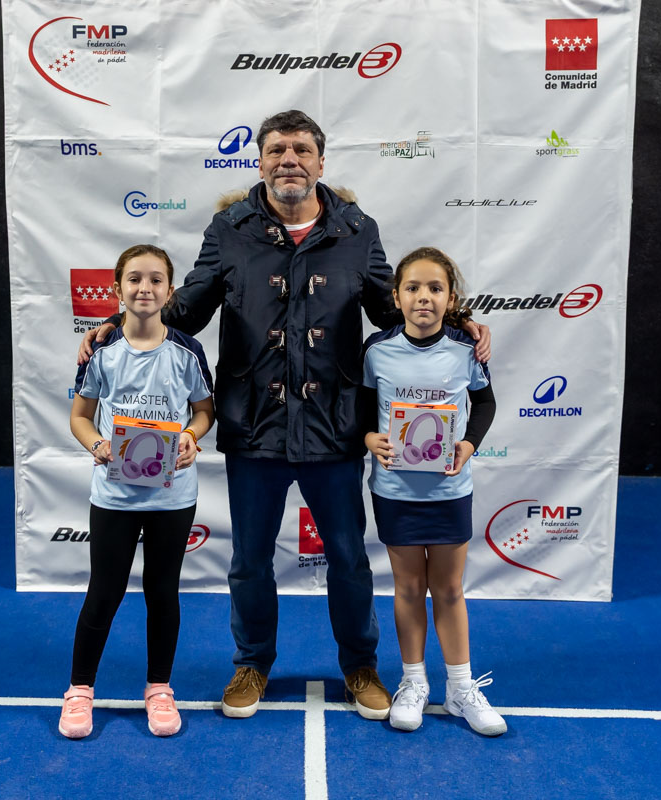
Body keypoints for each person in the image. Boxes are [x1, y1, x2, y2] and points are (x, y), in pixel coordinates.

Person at [78, 111, 491, 721]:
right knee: (249, 561)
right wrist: (117, 323)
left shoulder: (357, 229)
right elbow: (186, 308)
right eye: (276, 150)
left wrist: (460, 323)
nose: (288, 159)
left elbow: (392, 309)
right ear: (260, 160)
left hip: (335, 425)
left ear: (321, 162)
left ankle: (361, 667)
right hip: (254, 425)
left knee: (348, 559)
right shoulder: (230, 228)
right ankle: (252, 664)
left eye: (301, 149)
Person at [59, 244, 215, 739]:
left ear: (170, 291)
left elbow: (204, 411)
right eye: (134, 279)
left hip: (173, 496)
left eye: (155, 280)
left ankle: (159, 688)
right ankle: (79, 691)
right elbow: (80, 416)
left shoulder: (188, 352)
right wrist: (98, 445)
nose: (144, 288)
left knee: (162, 592)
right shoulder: (102, 352)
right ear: (117, 289)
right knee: (104, 592)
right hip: (115, 496)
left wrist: (190, 437)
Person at [362, 246, 505, 735]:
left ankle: (460, 687)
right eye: (413, 288)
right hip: (395, 490)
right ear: (396, 297)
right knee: (407, 587)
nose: (424, 297)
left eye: (435, 288)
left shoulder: (467, 350)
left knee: (447, 588)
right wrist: (369, 438)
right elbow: (361, 409)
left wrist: (469, 444)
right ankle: (414, 682)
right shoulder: (376, 350)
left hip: (449, 491)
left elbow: (485, 403)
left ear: (451, 299)